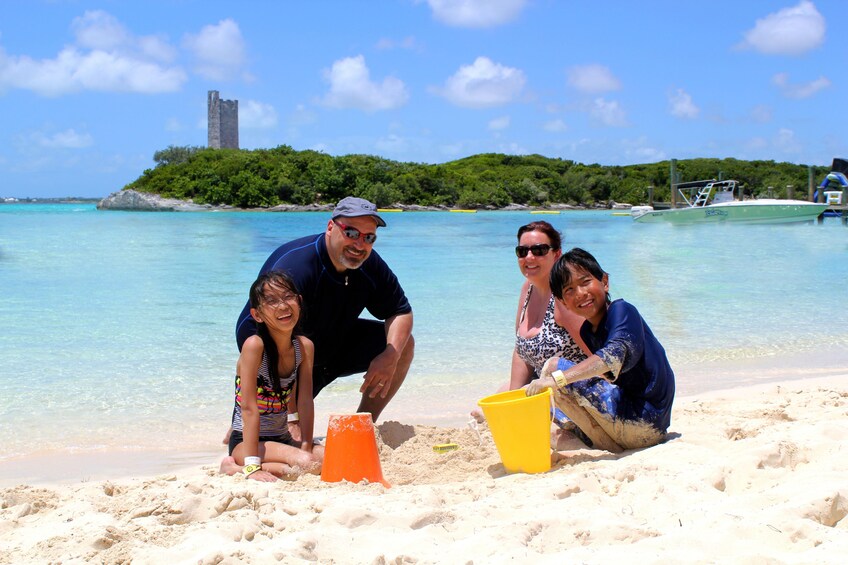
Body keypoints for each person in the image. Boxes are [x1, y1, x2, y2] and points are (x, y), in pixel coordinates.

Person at [235, 196, 414, 432]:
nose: (359, 244)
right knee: (269, 442)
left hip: (334, 344)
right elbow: (256, 334)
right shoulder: (296, 268)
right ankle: (260, 424)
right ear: (331, 227)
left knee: (402, 345)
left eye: (368, 237)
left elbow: (400, 311)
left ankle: (362, 426)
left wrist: (390, 357)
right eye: (351, 232)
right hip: (283, 358)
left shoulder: (369, 264)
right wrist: (291, 415)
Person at [526, 248, 675, 453]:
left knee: (553, 368)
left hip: (645, 420)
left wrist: (557, 379)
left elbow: (611, 358)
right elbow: (608, 376)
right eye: (569, 290)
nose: (580, 293)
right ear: (562, 302)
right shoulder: (588, 330)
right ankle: (599, 442)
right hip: (634, 420)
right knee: (549, 414)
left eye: (585, 282)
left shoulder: (621, 311)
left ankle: (607, 446)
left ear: (604, 282)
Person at [472, 221, 589, 421]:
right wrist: (514, 396)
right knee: (489, 406)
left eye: (539, 250)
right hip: (539, 386)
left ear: (557, 254)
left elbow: (596, 356)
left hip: (570, 391)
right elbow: (520, 349)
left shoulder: (564, 297)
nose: (529, 257)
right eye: (522, 251)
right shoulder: (527, 288)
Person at [220, 271, 323, 482]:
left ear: (299, 301)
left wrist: (305, 444)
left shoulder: (303, 347)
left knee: (327, 458)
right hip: (246, 442)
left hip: (281, 437)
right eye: (272, 301)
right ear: (257, 315)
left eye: (288, 297)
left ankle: (254, 466)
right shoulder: (254, 346)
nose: (283, 306)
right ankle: (236, 468)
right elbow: (248, 408)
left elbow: (304, 400)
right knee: (307, 464)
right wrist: (252, 467)